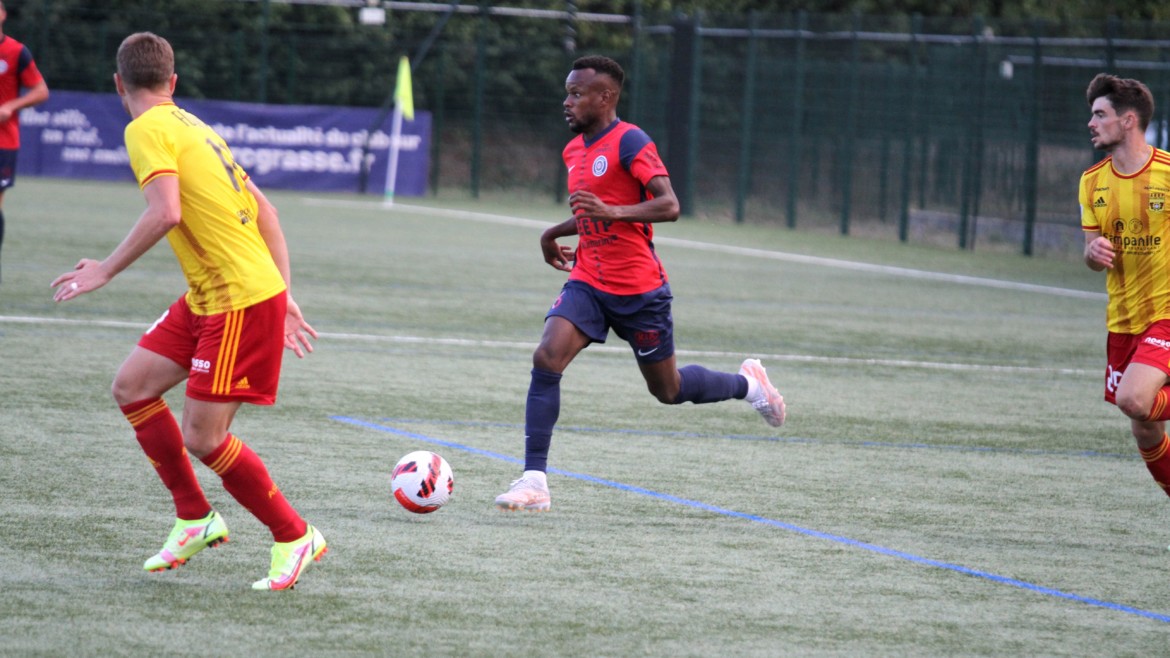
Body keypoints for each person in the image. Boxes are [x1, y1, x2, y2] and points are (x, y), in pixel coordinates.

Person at [50, 32, 325, 590]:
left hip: (239, 300)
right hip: (215, 295)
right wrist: (286, 291)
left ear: (117, 84)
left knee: (204, 437)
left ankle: (295, 535)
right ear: (173, 83)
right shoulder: (194, 125)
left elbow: (166, 212)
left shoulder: (145, 128)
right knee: (132, 386)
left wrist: (105, 268)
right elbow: (266, 210)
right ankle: (195, 517)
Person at [494, 55, 786, 512]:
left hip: (639, 290)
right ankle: (534, 483)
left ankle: (749, 386)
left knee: (667, 391)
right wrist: (553, 232)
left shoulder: (630, 141)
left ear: (605, 97)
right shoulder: (574, 150)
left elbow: (669, 205)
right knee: (546, 357)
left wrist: (615, 213)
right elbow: (593, 208)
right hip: (589, 279)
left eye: (576, 93)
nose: (566, 102)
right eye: (567, 92)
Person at [1081, 72, 1170, 506]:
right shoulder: (1092, 182)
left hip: (1166, 313)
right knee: (1145, 427)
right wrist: (1092, 252)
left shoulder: (1168, 174)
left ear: (1129, 120)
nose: (1091, 123)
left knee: (1135, 399)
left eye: (1100, 114)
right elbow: (1089, 251)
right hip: (1122, 320)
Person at [0, 0, 49, 283]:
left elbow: (41, 91)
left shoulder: (16, 52)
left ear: (4, 15)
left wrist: (12, 106)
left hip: (3, 142)